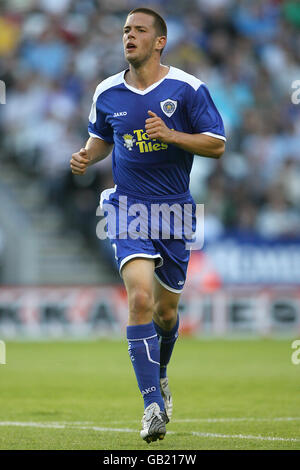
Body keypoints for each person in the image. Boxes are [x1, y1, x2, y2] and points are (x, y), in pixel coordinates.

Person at [70, 7, 226, 443]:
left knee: (165, 312)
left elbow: (217, 144)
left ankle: (161, 375)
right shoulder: (106, 92)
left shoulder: (188, 89)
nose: (129, 36)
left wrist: (173, 135)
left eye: (139, 30)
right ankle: (151, 406)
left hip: (175, 211)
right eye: (125, 30)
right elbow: (102, 138)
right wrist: (87, 155)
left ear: (160, 41)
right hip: (127, 207)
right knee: (139, 297)